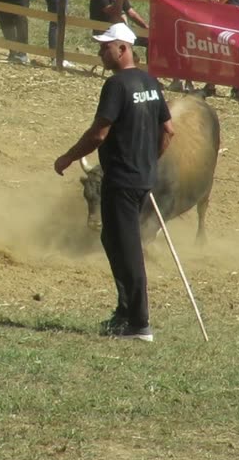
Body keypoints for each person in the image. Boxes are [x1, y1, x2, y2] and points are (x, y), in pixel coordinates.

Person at [53, 22, 174, 342]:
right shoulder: (151, 82)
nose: (99, 52)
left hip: (121, 179)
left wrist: (67, 157)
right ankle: (125, 312)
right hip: (142, 178)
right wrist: (149, 161)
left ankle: (139, 323)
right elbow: (169, 130)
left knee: (128, 247)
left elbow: (99, 133)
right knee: (112, 240)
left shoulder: (117, 85)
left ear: (123, 48)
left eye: (105, 46)